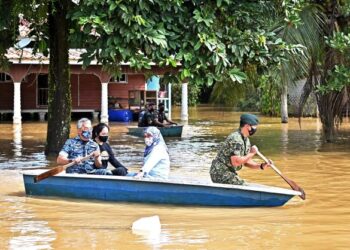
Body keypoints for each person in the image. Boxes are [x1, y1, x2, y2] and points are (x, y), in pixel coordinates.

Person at [210, 114, 271, 185]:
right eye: (254, 127)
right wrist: (251, 153)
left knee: (247, 185)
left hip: (228, 172)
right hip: (219, 172)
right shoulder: (236, 139)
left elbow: (245, 161)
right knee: (244, 186)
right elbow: (236, 162)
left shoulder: (246, 140)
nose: (255, 129)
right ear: (248, 126)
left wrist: (261, 166)